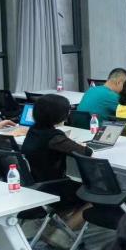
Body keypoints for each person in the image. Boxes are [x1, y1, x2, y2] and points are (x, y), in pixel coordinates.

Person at [20, 93, 92, 242]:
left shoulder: (33, 130)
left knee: (77, 187)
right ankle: (63, 233)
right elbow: (86, 152)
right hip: (52, 188)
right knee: (94, 192)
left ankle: (54, 226)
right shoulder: (54, 136)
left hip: (34, 185)